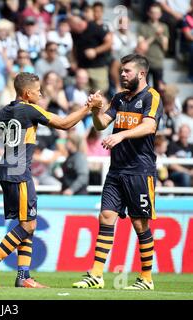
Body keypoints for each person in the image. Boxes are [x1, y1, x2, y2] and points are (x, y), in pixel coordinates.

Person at [0, 72, 93, 288]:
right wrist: (87, 108)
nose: (41, 93)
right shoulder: (30, 109)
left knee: (28, 224)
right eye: (38, 90)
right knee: (28, 225)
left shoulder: (3, 112)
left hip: (5, 173)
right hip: (20, 173)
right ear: (27, 93)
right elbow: (65, 123)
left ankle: (23, 277)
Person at [72, 54, 163, 290]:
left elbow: (150, 125)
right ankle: (96, 274)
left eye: (128, 71)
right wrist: (94, 110)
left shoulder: (152, 97)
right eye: (122, 71)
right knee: (105, 217)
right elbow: (102, 123)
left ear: (141, 74)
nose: (122, 74)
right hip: (116, 170)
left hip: (140, 171)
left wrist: (121, 134)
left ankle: (146, 278)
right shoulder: (120, 98)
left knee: (140, 224)